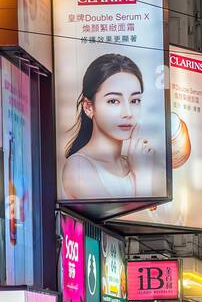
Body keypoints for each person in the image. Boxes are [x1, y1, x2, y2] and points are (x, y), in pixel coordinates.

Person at [60, 53, 158, 200]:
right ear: (88, 107)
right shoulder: (79, 168)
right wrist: (143, 175)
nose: (128, 113)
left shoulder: (136, 161)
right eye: (113, 101)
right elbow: (122, 222)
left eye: (135, 100)